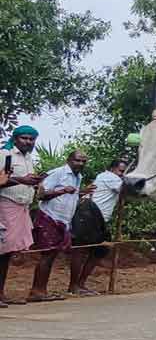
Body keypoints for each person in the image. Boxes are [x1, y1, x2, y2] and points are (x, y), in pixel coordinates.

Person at [28, 150, 95, 302]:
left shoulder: (78, 177)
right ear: (69, 160)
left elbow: (70, 196)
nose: (80, 164)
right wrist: (62, 190)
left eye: (83, 161)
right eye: (77, 160)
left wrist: (81, 192)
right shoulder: (57, 173)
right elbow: (41, 195)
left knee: (52, 255)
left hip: (64, 220)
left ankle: (41, 290)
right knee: (47, 254)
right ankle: (37, 291)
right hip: (49, 217)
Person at [0, 126, 45, 307]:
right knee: (2, 251)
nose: (28, 142)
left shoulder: (28, 158)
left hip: (22, 207)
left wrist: (33, 182)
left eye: (31, 139)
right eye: (24, 138)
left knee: (8, 253)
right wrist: (21, 180)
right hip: (5, 206)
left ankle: (1, 293)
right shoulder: (5, 154)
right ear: (16, 138)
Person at [70, 159, 127, 295]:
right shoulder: (110, 177)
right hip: (90, 214)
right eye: (121, 171)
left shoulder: (106, 177)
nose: (121, 174)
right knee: (82, 250)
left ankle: (79, 285)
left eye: (124, 172)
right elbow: (128, 190)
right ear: (112, 169)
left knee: (99, 250)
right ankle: (74, 286)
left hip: (95, 216)